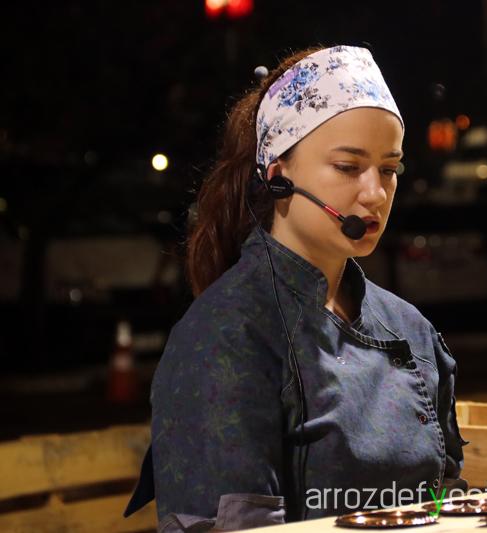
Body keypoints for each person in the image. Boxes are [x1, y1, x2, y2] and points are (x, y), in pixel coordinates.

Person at [124, 45, 468, 532]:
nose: (375, 193)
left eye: (389, 169)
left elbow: (447, 503)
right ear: (278, 173)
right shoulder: (226, 334)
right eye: (348, 167)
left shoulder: (411, 330)